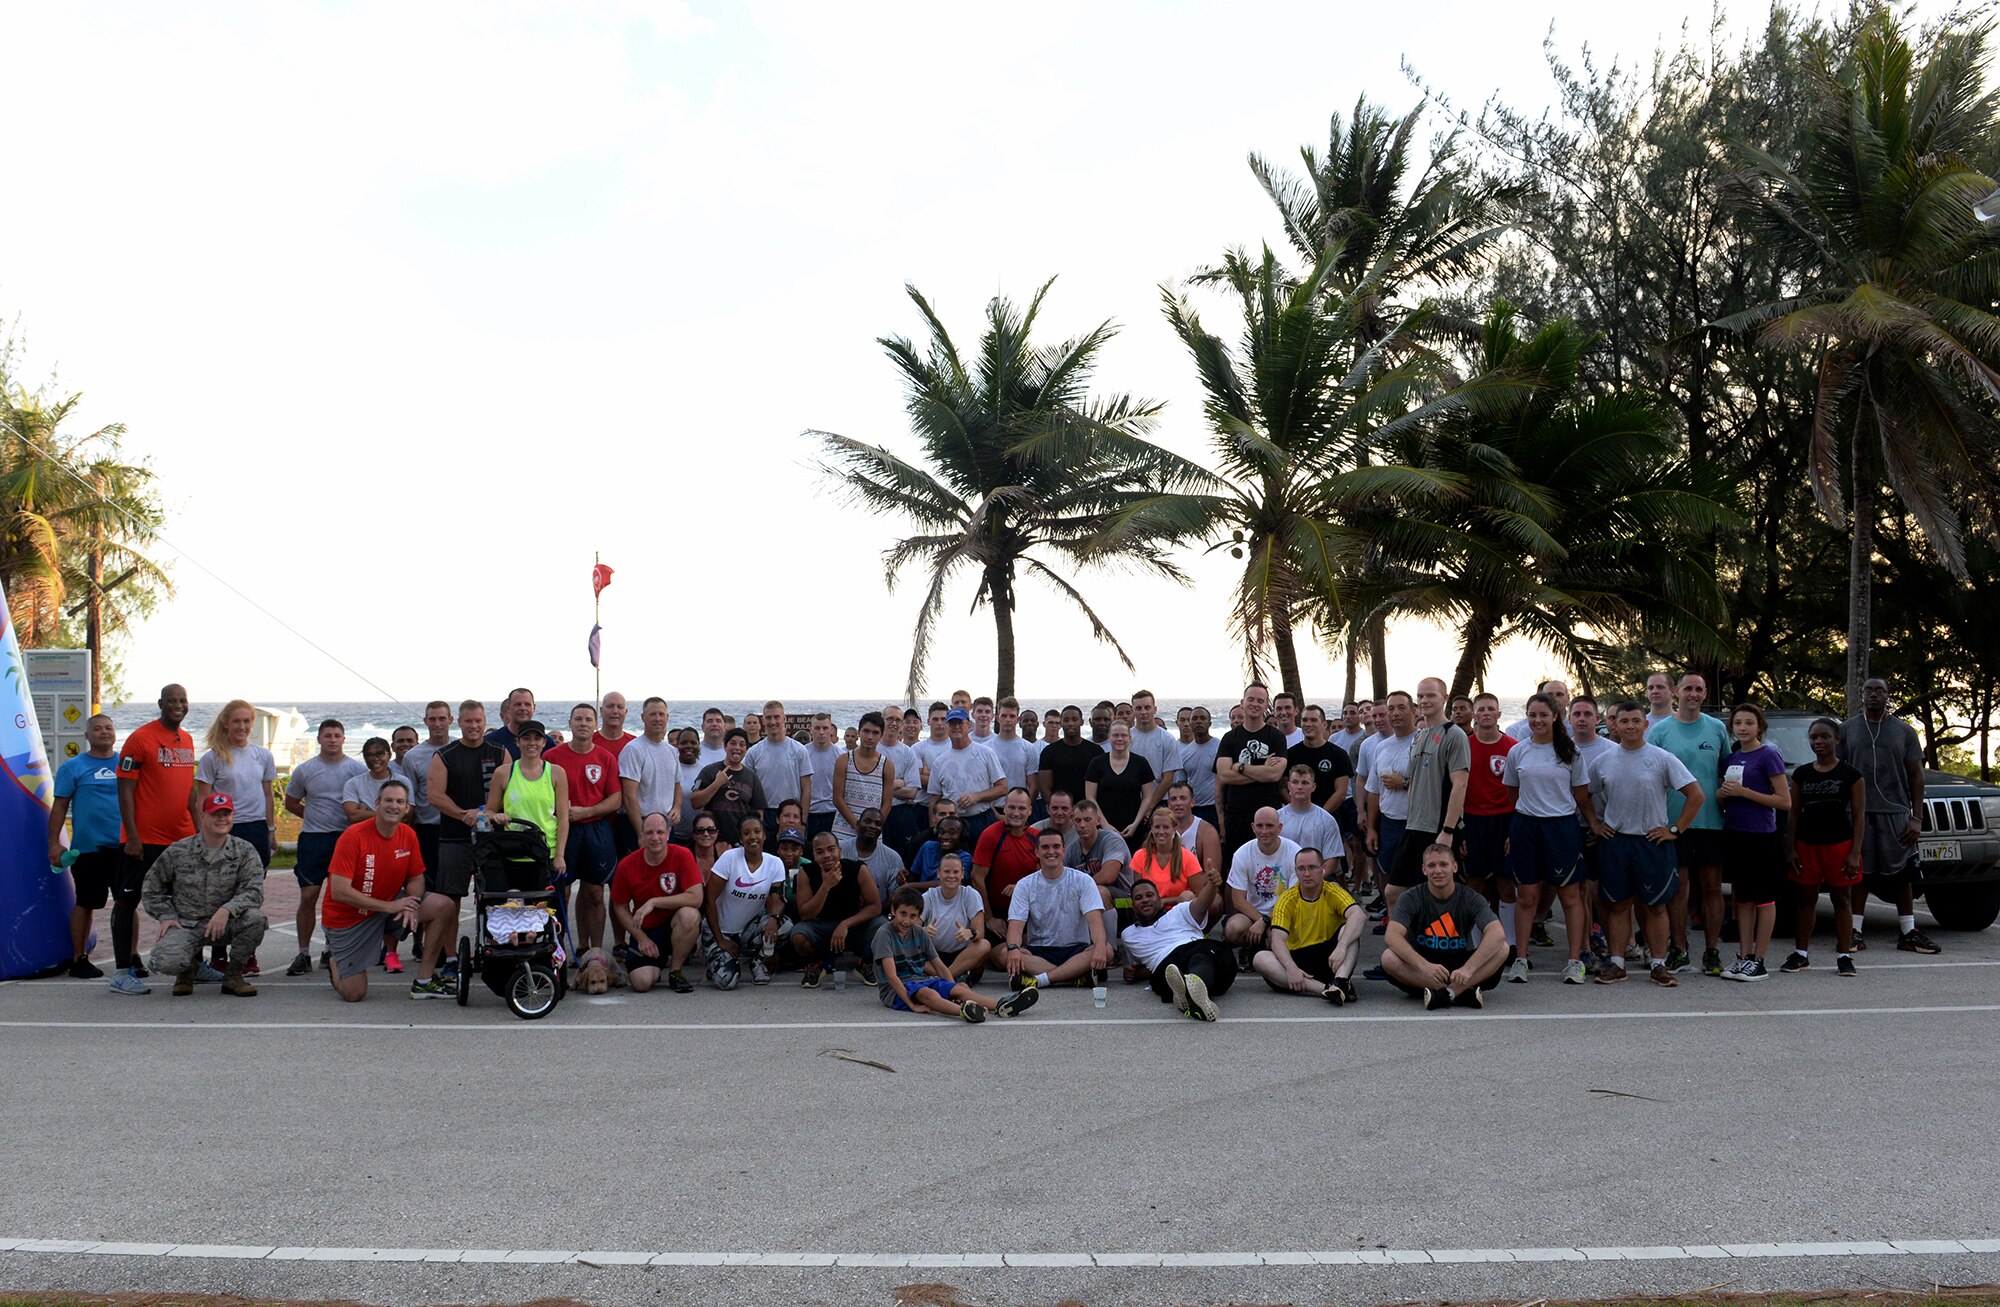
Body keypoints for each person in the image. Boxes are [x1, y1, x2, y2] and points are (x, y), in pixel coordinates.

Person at [1584, 702, 1707, 987]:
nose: (1629, 726)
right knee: (1617, 905)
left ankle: (1659, 965)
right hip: (1616, 842)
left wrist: (1675, 829)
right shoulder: (1603, 760)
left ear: (1645, 725)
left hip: (1652, 841)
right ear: (1614, 725)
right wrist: (1594, 823)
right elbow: (1583, 794)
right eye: (1623, 721)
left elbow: (1696, 795)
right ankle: (1617, 963)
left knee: (1655, 907)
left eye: (1635, 721)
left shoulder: (1662, 758)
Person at [411, 700, 508, 999]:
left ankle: (497, 951)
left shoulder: (499, 752)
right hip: (454, 837)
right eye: (468, 721)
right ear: (459, 722)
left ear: (484, 720)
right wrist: (464, 814)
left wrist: (490, 815)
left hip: (493, 837)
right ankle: (451, 958)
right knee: (450, 899)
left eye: (478, 721)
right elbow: (435, 796)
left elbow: (508, 790)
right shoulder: (445, 755)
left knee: (497, 897)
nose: (474, 726)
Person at [1838, 677, 1939, 954]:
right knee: (1860, 873)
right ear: (1861, 695)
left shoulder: (1903, 732)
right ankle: (1854, 931)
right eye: (1868, 690)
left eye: (1879, 690)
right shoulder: (1847, 730)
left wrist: (1916, 817)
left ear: (1887, 696)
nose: (1873, 695)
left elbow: (1916, 775)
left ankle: (1908, 932)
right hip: (1858, 812)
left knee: (1902, 873)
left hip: (1895, 812)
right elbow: (1838, 771)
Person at [1499, 693, 1591, 985]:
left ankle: (1575, 961)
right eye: (1532, 715)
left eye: (1543, 715)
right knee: (1526, 897)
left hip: (1561, 829)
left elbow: (1580, 795)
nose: (1537, 720)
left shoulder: (1571, 752)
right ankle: (1521, 960)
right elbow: (1513, 793)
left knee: (1570, 897)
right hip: (1526, 828)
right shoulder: (1518, 751)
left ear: (1555, 717)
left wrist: (1555, 812)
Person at [113, 684, 198, 992]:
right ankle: (122, 972)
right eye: (172, 701)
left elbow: (188, 790)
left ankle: (192, 968)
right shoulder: (140, 739)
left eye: (183, 701)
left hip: (182, 839)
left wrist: (199, 831)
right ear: (161, 703)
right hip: (144, 839)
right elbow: (125, 789)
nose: (178, 705)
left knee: (190, 904)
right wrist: (132, 836)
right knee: (127, 901)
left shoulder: (187, 740)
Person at [140, 793, 266, 998]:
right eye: (215, 814)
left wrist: (227, 910)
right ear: (202, 817)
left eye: (226, 814)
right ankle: (186, 971)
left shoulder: (244, 850)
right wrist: (166, 916)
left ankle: (233, 977)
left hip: (226, 923)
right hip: (186, 924)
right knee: (163, 962)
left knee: (255, 919)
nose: (222, 819)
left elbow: (254, 892)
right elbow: (151, 888)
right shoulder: (178, 850)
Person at [1647, 672, 1731, 975]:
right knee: (1678, 888)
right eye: (1687, 689)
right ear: (1675, 692)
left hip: (1710, 822)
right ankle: (1679, 949)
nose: (1693, 694)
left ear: (1705, 693)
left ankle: (1712, 951)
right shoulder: (1660, 731)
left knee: (1711, 887)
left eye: (1698, 689)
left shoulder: (1718, 728)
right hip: (1672, 822)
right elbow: (1649, 774)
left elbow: (1728, 770)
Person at [190, 698, 277, 973]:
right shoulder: (212, 757)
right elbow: (201, 798)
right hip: (223, 828)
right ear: (226, 723)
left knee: (251, 893)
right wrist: (201, 832)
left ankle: (246, 954)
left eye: (247, 721)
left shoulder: (262, 756)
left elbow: (267, 796)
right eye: (237, 721)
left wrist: (271, 830)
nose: (242, 726)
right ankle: (218, 955)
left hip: (255, 829)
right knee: (219, 892)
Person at [322, 780, 425, 1003]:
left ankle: (426, 981)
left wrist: (412, 902)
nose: (394, 806)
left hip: (387, 908)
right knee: (354, 994)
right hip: (349, 918)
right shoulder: (353, 836)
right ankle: (334, 960)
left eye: (400, 801)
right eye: (388, 800)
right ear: (377, 803)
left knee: (442, 906)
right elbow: (339, 891)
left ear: (407, 808)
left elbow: (416, 877)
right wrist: (391, 906)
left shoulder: (408, 834)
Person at [874, 886, 1037, 1022]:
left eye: (913, 916)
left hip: (920, 980)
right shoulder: (885, 934)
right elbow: (891, 977)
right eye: (903, 914)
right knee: (927, 994)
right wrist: (912, 1005)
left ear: (918, 916)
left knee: (961, 989)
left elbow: (940, 966)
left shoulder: (919, 933)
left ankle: (1001, 1005)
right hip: (895, 989)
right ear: (893, 910)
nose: (907, 921)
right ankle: (964, 1011)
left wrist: (952, 988)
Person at [280, 719, 365, 977]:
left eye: (337, 735)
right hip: (314, 839)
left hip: (346, 839)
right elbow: (291, 801)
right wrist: (313, 815)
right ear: (319, 739)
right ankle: (303, 952)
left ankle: (330, 949)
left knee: (339, 897)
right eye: (327, 735)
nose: (332, 739)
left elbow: (363, 803)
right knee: (309, 896)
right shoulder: (305, 770)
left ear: (343, 739)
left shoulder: (356, 769)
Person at [1381, 843, 1509, 1008]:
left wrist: (1468, 969)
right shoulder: (1410, 897)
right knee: (1388, 957)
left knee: (1503, 948)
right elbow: (1392, 936)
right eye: (1431, 865)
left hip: (1461, 967)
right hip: (1423, 969)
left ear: (1455, 867)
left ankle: (1447, 994)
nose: (1438, 871)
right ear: (1424, 869)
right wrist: (1425, 966)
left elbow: (1496, 933)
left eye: (1443, 864)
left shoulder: (1470, 897)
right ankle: (1459, 993)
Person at [1717, 704, 1791, 980]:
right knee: (1742, 899)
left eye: (1749, 723)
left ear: (1760, 726)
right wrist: (1722, 793)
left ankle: (1759, 959)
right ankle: (1744, 956)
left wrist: (1745, 792)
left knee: (1764, 899)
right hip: (1735, 834)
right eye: (1738, 723)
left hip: (1761, 836)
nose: (1743, 728)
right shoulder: (1731, 759)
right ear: (1732, 727)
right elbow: (1723, 795)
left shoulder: (1769, 755)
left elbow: (1784, 801)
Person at [1786, 718, 1866, 976]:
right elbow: (1794, 813)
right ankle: (1801, 954)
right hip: (1807, 844)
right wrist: (1791, 848)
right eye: (1813, 738)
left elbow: (1859, 816)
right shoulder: (1801, 774)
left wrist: (1854, 852)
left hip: (1840, 845)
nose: (1818, 742)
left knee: (1842, 899)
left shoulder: (1851, 775)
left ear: (1836, 740)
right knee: (1805, 900)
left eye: (1824, 737)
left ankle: (1844, 956)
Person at [1383, 677, 1470, 907]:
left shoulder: (1454, 735)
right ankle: (1402, 944)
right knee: (1393, 893)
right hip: (1413, 827)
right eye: (1420, 696)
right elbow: (1414, 781)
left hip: (1438, 828)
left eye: (1430, 695)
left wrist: (1448, 831)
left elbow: (1460, 785)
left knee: (1440, 897)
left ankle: (1448, 942)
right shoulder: (1420, 735)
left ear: (1444, 697)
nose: (1424, 700)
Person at [50, 713, 123, 980]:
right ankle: (79, 959)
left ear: (115, 732)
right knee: (85, 902)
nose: (104, 732)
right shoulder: (73, 767)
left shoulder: (127, 763)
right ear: (87, 735)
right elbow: (59, 807)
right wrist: (54, 844)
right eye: (97, 729)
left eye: (108, 728)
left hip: (125, 847)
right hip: (88, 848)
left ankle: (132, 957)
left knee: (128, 902)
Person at [549, 703, 624, 959]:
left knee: (594, 892)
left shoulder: (605, 758)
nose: (583, 723)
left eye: (588, 719)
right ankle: (558, 949)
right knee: (562, 891)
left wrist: (585, 812)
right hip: (562, 833)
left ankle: (594, 951)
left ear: (595, 725)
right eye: (578, 719)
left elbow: (616, 798)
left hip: (596, 830)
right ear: (569, 723)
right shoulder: (552, 757)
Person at [1121, 866, 1235, 1021]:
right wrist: (1133, 973)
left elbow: (1201, 904)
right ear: (1133, 905)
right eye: (1139, 898)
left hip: (1199, 952)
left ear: (1159, 899)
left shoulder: (1179, 911)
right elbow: (1139, 969)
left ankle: (1190, 991)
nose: (1145, 900)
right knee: (1177, 970)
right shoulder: (1129, 935)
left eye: (1149, 895)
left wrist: (1212, 885)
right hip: (1166, 968)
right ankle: (1195, 994)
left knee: (1201, 957)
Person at [1253, 845, 1364, 1003]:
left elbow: (1359, 916)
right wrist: (1291, 968)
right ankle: (1327, 989)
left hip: (1330, 959)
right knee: (1260, 958)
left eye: (1312, 867)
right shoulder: (1287, 898)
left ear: (1323, 869)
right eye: (1301, 869)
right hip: (1297, 960)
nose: (1307, 874)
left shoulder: (1332, 891)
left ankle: (1340, 981)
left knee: (1350, 930)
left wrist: (1342, 946)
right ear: (1295, 871)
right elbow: (1277, 939)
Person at [1004, 829, 1111, 989]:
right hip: (1039, 951)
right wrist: (1013, 948)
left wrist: (1100, 947)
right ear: (1037, 852)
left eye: (1056, 846)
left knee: (1107, 949)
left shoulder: (1083, 880)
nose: (1051, 851)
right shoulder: (1024, 885)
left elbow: (1095, 923)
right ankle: (1074, 975)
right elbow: (1015, 927)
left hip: (1076, 950)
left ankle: (1040, 980)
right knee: (1004, 953)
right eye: (1045, 847)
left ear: (1063, 850)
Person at [610, 812, 703, 994]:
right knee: (641, 984)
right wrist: (641, 938)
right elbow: (619, 906)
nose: (655, 838)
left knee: (690, 915)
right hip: (646, 930)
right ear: (642, 835)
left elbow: (696, 897)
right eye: (650, 833)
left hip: (674, 925)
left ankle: (676, 971)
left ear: (668, 834)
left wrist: (654, 902)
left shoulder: (682, 854)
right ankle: (657, 963)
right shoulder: (627, 865)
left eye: (660, 832)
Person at [702, 817, 792, 989]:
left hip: (747, 930)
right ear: (741, 838)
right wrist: (720, 940)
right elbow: (709, 899)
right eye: (746, 833)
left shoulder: (775, 863)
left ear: (765, 835)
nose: (753, 837)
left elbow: (777, 897)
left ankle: (758, 963)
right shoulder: (729, 858)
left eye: (757, 832)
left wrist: (773, 919)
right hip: (719, 930)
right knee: (727, 982)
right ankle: (718, 962)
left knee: (784, 925)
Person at [789, 830, 885, 987]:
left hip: (853, 928)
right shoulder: (805, 872)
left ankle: (865, 963)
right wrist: (826, 886)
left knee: (881, 925)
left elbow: (875, 906)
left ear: (839, 851)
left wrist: (845, 924)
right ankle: (816, 965)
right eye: (820, 852)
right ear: (813, 855)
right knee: (799, 934)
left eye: (831, 849)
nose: (826, 855)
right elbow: (804, 914)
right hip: (822, 929)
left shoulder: (858, 869)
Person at [1462, 692, 1517, 952]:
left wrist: (1514, 831)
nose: (1485, 713)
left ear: (1499, 714)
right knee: (1475, 882)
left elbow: (1521, 793)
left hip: (1505, 821)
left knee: (1506, 883)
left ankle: (1509, 943)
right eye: (1481, 709)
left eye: (1490, 709)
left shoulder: (1513, 747)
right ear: (1474, 714)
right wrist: (1459, 832)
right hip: (1473, 821)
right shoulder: (1463, 746)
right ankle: (1475, 944)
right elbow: (1454, 790)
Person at [486, 721, 571, 884]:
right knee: (513, 908)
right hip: (513, 852)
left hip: (546, 852)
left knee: (546, 908)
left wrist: (560, 856)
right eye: (526, 738)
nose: (532, 743)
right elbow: (489, 811)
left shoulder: (556, 773)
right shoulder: (503, 773)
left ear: (544, 742)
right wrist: (497, 816)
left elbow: (563, 819)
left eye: (537, 738)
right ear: (517, 742)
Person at [1215, 683, 1288, 861]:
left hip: (1267, 814)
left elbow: (1274, 775)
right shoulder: (1229, 738)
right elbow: (1224, 775)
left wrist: (1239, 767)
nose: (1255, 704)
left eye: (1260, 701)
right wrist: (1262, 772)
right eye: (1251, 699)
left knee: (1269, 865)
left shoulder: (1276, 737)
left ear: (1266, 705)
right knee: (1237, 866)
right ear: (1242, 702)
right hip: (1236, 814)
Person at [927, 708, 1007, 845]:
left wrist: (976, 797)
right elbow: (934, 798)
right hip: (952, 824)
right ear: (946, 727)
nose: (956, 727)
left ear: (969, 725)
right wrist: (933, 827)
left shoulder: (986, 753)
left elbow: (1003, 788)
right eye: (952, 723)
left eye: (960, 723)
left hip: (982, 819)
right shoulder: (939, 762)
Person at [1223, 808, 1300, 950]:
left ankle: (1267, 953)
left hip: (1284, 912)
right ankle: (1249, 948)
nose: (1264, 831)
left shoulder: (1294, 853)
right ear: (1253, 827)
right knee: (1233, 928)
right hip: (1252, 913)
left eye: (1270, 826)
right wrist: (1261, 920)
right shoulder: (1242, 854)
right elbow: (1238, 900)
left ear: (1280, 828)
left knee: (1277, 939)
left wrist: (1267, 920)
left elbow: (1293, 899)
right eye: (1259, 826)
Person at [1363, 693, 1417, 892]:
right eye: (1391, 709)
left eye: (1401, 707)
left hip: (1417, 823)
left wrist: (1403, 782)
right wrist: (1371, 828)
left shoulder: (1423, 742)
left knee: (1418, 879)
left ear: (1414, 711)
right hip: (1389, 823)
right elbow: (1374, 790)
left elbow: (1435, 786)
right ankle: (1392, 920)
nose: (1395, 713)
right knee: (1387, 876)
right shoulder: (1381, 748)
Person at [400, 700, 454, 881]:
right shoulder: (412, 756)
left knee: (454, 885)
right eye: (433, 719)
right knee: (429, 884)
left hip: (459, 827)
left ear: (451, 720)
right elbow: (411, 797)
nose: (437, 724)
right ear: (425, 721)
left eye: (442, 718)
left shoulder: (461, 748)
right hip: (428, 829)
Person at [619, 697, 683, 848]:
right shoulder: (633, 750)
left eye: (661, 714)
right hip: (640, 825)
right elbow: (629, 796)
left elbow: (677, 784)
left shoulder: (672, 751)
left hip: (666, 826)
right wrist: (641, 833)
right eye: (652, 714)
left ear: (667, 717)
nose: (657, 719)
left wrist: (677, 808)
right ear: (643, 717)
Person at [1066, 798, 1133, 938]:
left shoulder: (1112, 840)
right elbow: (1062, 880)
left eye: (1087, 819)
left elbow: (1108, 876)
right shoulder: (1071, 849)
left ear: (1098, 820)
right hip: (1087, 900)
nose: (1082, 825)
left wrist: (1076, 891)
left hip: (1125, 902)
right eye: (1078, 821)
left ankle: (1111, 949)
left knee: (1099, 892)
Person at [692, 727, 766, 847]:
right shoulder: (709, 771)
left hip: (741, 841)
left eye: (742, 745)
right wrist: (716, 784)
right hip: (712, 839)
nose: (737, 747)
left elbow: (758, 813)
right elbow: (695, 802)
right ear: (725, 746)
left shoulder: (752, 777)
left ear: (747, 749)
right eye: (732, 743)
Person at [1085, 721, 1157, 843]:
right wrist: (1105, 825)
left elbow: (1147, 797)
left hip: (1134, 828)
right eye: (1115, 735)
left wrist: (1135, 824)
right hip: (1103, 828)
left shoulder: (1141, 763)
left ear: (1130, 739)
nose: (1119, 739)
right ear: (1109, 738)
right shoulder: (1096, 763)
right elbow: (1090, 797)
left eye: (1123, 735)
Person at [922, 852, 992, 979]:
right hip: (933, 956)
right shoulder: (928, 897)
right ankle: (950, 978)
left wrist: (969, 933)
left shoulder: (971, 895)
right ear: (938, 873)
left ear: (962, 874)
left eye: (956, 872)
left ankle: (944, 979)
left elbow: (980, 932)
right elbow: (910, 931)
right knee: (904, 949)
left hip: (963, 956)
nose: (951, 876)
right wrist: (923, 931)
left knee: (984, 945)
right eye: (946, 872)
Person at [747, 700, 813, 829]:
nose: (773, 722)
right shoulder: (753, 752)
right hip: (763, 814)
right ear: (763, 720)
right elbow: (748, 788)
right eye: (769, 718)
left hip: (791, 814)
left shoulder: (799, 750)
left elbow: (806, 789)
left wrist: (803, 821)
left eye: (776, 717)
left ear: (784, 718)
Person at [831, 711, 895, 844]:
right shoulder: (843, 760)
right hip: (843, 831)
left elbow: (887, 803)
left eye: (875, 733)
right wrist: (857, 825)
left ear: (881, 735)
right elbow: (837, 798)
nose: (870, 737)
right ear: (859, 733)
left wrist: (873, 826)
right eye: (866, 731)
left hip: (872, 834)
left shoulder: (887, 765)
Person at [1036, 706, 1102, 820]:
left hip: (1087, 814)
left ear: (1081, 722)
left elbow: (1100, 786)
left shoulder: (1095, 751)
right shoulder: (1049, 752)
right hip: (1060, 814)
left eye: (1074, 719)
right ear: (1061, 723)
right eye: (1066, 720)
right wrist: (1057, 810)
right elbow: (1045, 787)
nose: (1070, 724)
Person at [596, 691, 639, 860]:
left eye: (620, 707)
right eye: (610, 706)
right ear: (601, 711)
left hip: (629, 823)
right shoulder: (590, 743)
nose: (615, 711)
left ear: (626, 712)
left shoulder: (636, 745)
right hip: (599, 823)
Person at [1130, 804, 1201, 906]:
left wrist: (1165, 901)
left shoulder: (1188, 857)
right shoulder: (1140, 856)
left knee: (1187, 896)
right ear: (1152, 829)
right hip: (1150, 910)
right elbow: (1138, 891)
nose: (1161, 832)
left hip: (1178, 911)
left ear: (1174, 829)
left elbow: (1197, 894)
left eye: (1166, 827)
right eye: (1157, 827)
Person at [840, 806, 906, 907]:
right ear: (858, 824)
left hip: (877, 914)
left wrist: (872, 909)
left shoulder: (893, 858)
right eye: (867, 821)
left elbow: (895, 898)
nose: (872, 826)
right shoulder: (840, 849)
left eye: (878, 824)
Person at [1277, 765, 1342, 861]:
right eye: (1295, 782)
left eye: (1305, 783)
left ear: (1313, 787)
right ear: (1289, 786)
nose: (1299, 787)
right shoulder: (1277, 818)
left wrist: (1315, 875)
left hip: (1318, 874)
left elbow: (1332, 859)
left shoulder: (1326, 820)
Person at [341, 737, 409, 823]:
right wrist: (391, 813)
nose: (375, 759)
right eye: (369, 755)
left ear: (389, 755)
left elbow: (408, 815)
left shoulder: (403, 782)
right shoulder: (353, 783)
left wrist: (365, 813)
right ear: (364, 758)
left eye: (380, 754)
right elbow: (353, 816)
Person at [1164, 781, 1222, 879]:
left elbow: (1212, 874)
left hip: (1197, 888)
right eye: (1173, 799)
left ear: (1192, 802)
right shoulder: (1161, 830)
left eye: (1183, 798)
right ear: (1169, 804)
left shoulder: (1207, 832)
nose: (1178, 803)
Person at [1126, 690, 1180, 793]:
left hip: (1161, 801)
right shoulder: (1126, 738)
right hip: (1132, 799)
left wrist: (1150, 805)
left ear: (1154, 709)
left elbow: (1168, 778)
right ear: (1133, 711)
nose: (1143, 712)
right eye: (1138, 708)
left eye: (1147, 707)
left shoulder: (1167, 739)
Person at [1178, 706, 1221, 829]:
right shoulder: (1184, 754)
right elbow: (1182, 785)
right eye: (1195, 718)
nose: (1198, 721)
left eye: (1203, 718)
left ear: (1210, 723)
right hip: (1193, 810)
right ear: (1190, 723)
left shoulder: (1221, 747)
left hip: (1215, 808)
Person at [803, 713, 843, 840]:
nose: (821, 732)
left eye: (825, 728)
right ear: (811, 730)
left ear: (830, 729)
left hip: (833, 814)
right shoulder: (802, 754)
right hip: (809, 814)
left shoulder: (841, 756)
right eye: (817, 728)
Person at [1507, 680, 1571, 740]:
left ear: (1568, 698)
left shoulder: (1575, 728)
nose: (1554, 698)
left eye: (1559, 694)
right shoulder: (1524, 731)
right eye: (1549, 695)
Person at [489, 687, 538, 759]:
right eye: (518, 704)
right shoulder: (491, 742)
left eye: (527, 704)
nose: (523, 708)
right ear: (508, 708)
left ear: (534, 708)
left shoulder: (547, 743)